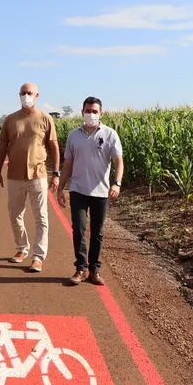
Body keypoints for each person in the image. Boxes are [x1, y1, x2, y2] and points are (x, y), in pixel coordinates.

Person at [57, 96, 124, 285]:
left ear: (101, 113)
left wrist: (116, 183)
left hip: (101, 192)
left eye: (94, 111)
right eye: (88, 111)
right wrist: (61, 188)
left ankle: (94, 269)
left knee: (97, 232)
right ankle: (81, 268)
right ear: (82, 112)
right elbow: (68, 164)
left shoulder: (110, 135)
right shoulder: (73, 136)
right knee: (78, 229)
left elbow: (119, 162)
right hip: (78, 189)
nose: (91, 114)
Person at [0, 82, 60, 273]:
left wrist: (55, 173)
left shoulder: (46, 119)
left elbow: (54, 146)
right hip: (14, 175)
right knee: (15, 216)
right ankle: (22, 247)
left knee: (41, 217)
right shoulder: (10, 120)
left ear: (37, 95)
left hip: (37, 175)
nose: (26, 96)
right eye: (23, 93)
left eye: (29, 93)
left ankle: (38, 256)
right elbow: (2, 147)